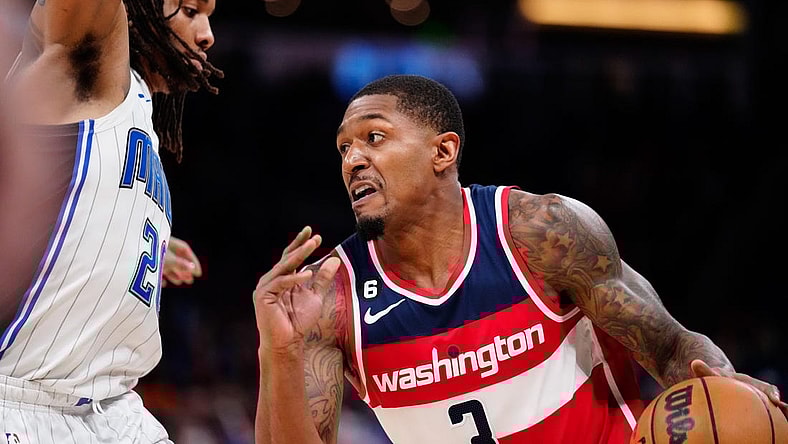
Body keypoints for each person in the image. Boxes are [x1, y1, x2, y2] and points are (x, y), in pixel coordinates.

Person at [253, 74, 787, 443]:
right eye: (343, 148)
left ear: (443, 152)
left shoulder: (539, 231)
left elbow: (672, 347)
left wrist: (729, 389)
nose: (353, 160)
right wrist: (277, 352)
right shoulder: (330, 296)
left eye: (373, 137)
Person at [0, 0, 221, 442]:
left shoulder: (136, 115)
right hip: (24, 402)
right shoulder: (83, 62)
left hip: (114, 408)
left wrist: (145, 239)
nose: (207, 34)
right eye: (191, 9)